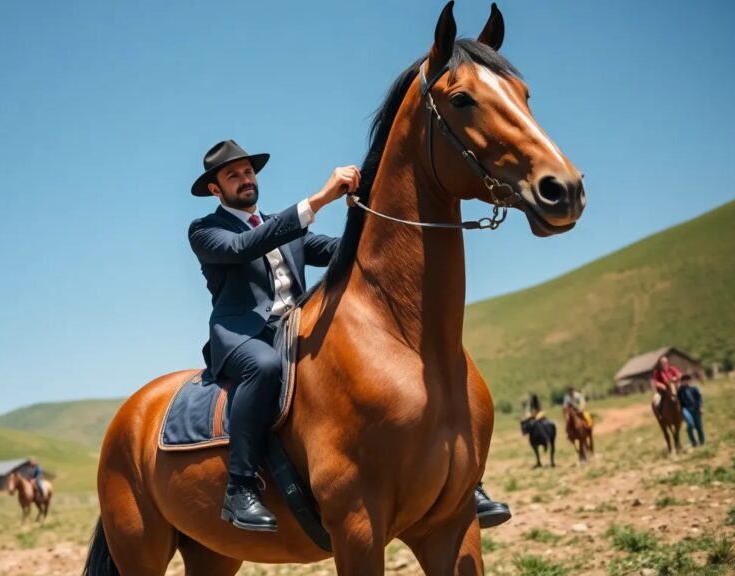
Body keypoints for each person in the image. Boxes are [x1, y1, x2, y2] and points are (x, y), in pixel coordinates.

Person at [188, 139, 510, 532]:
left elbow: (344, 250)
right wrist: (319, 200)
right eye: (233, 176)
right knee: (264, 367)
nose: (245, 179)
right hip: (244, 337)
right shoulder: (205, 230)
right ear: (215, 189)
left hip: (294, 329)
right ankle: (239, 489)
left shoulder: (284, 228)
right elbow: (243, 246)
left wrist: (367, 211)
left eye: (248, 171)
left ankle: (462, 481)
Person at [677, 375, 705, 447]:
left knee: (698, 426)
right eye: (684, 380)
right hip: (685, 409)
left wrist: (701, 407)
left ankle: (701, 441)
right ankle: (693, 442)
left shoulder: (694, 388)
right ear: (682, 382)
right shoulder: (679, 391)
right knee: (690, 424)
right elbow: (678, 401)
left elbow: (699, 398)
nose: (686, 382)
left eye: (687, 380)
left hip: (695, 408)